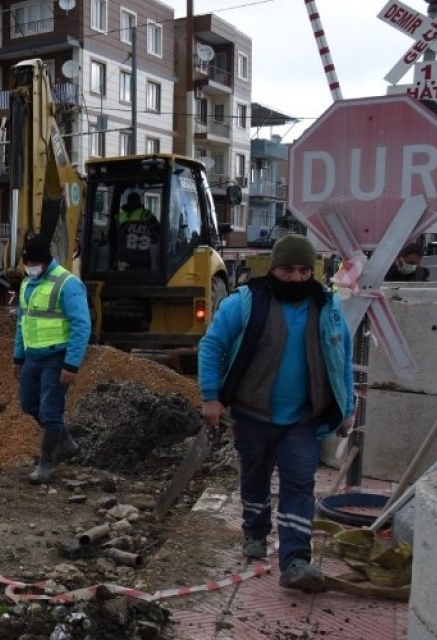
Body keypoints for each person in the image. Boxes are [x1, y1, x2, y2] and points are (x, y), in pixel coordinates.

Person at [197, 234, 355, 593]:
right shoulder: (246, 303)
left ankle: (296, 560)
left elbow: (341, 359)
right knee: (255, 477)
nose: (297, 278)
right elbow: (212, 345)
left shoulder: (327, 307)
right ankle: (254, 530)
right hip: (253, 415)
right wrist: (210, 397)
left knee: (299, 484)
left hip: (303, 419)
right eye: (288, 269)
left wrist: (346, 410)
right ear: (273, 270)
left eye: (304, 270)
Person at [12, 234, 91, 484]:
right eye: (27, 263)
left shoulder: (68, 284)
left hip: (57, 358)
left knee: (50, 413)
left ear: (46, 261)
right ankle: (66, 443)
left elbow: (81, 325)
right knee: (28, 404)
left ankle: (46, 463)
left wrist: (71, 364)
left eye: (34, 263)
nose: (30, 267)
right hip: (32, 357)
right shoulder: (27, 284)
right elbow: (22, 323)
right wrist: (18, 357)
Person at [116, 192, 159, 269]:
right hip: (143, 259)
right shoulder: (146, 213)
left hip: (124, 260)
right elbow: (157, 230)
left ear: (128, 201)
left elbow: (114, 235)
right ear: (139, 201)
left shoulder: (120, 215)